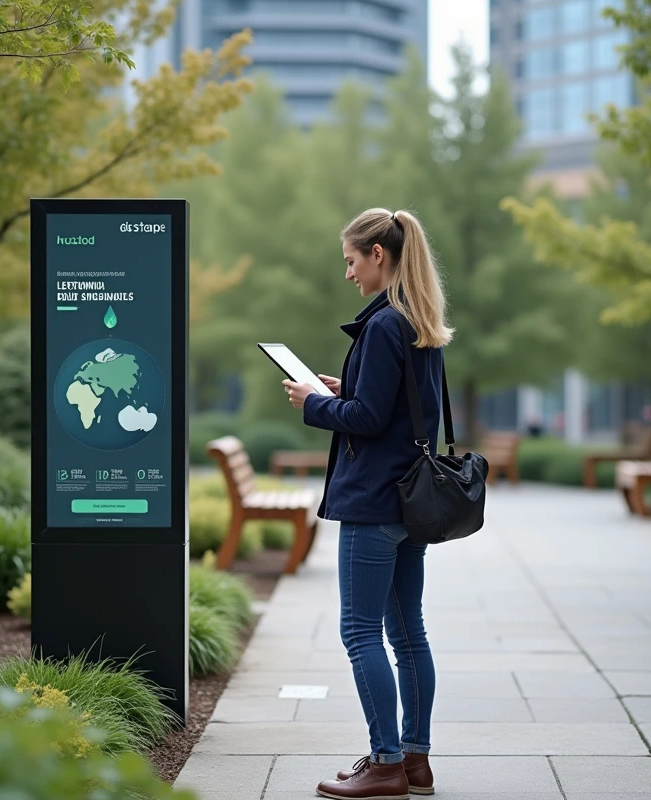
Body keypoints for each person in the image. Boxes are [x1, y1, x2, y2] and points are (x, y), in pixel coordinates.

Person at [282, 208, 451, 800]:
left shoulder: (382, 326)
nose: (349, 273)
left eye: (352, 260)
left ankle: (383, 765)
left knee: (360, 634)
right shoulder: (416, 320)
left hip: (373, 502)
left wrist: (311, 402)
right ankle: (414, 760)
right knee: (410, 635)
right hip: (407, 502)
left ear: (378, 254)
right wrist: (341, 389)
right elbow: (400, 410)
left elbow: (369, 419)